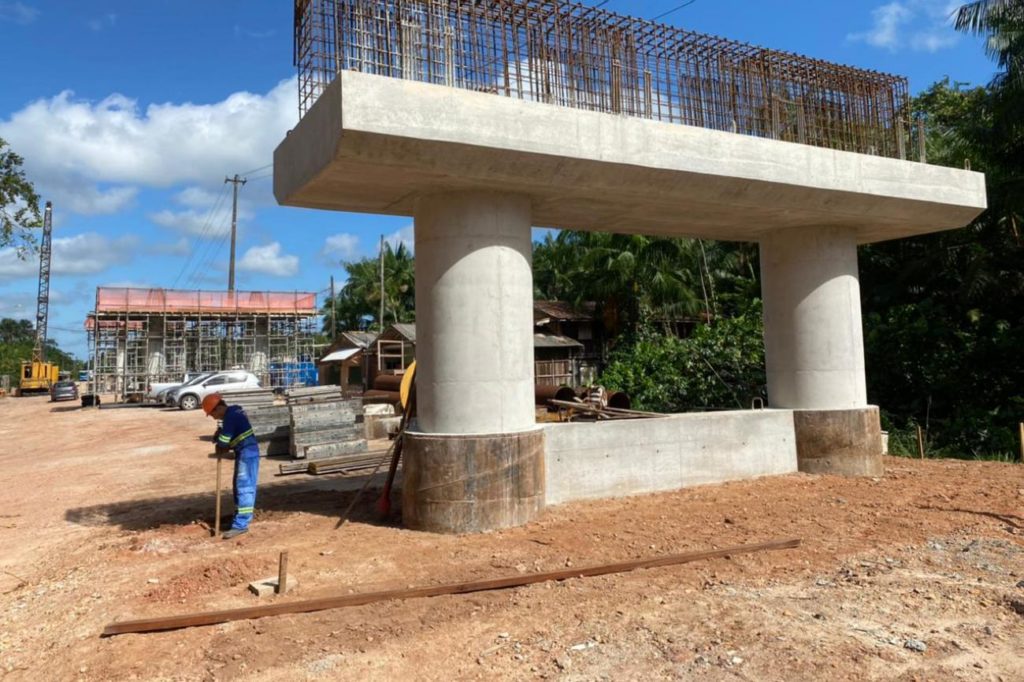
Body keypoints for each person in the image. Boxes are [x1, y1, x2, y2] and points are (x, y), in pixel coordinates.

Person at [203, 393, 259, 539]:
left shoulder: (230, 417)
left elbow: (224, 441)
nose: (214, 418)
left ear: (218, 408)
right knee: (238, 486)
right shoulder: (234, 412)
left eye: (212, 414)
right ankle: (238, 519)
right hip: (245, 452)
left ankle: (240, 525)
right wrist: (220, 434)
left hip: (247, 453)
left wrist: (219, 439)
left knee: (244, 488)